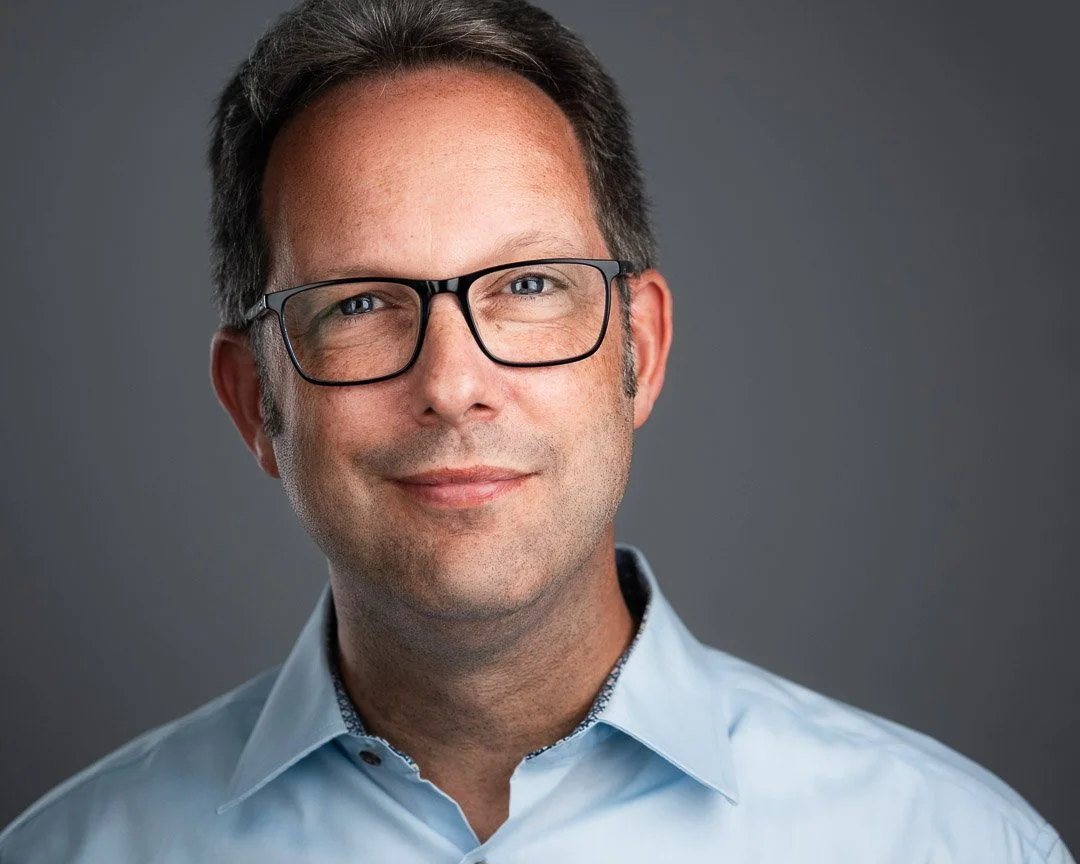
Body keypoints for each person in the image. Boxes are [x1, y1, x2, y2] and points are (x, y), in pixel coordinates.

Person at [0, 0, 1073, 861]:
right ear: (256, 406)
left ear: (638, 353)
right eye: (361, 303)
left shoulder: (951, 844)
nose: (455, 383)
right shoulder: (71, 851)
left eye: (528, 284)